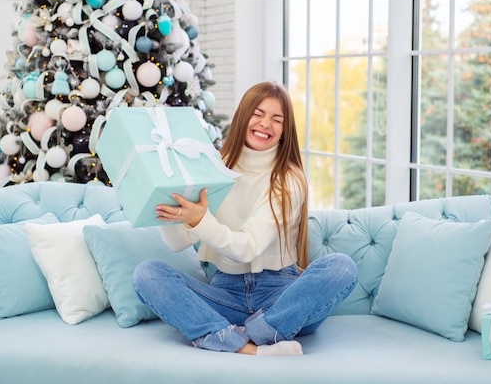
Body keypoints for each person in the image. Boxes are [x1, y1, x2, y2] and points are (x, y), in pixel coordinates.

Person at [132, 81, 358, 356]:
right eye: (258, 113)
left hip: (281, 299)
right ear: (243, 116)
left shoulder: (289, 180)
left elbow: (247, 247)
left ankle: (236, 336)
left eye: (277, 119)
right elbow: (179, 242)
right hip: (225, 295)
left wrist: (202, 219)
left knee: (342, 267)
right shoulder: (214, 165)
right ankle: (251, 347)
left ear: (285, 130)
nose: (265, 124)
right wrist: (165, 205)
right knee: (147, 274)